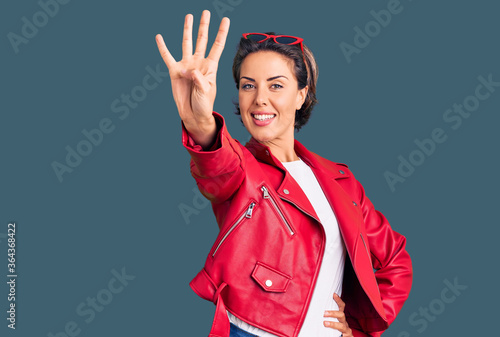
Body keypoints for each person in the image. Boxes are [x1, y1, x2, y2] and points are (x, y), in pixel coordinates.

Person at [155, 9, 412, 337]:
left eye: (276, 85)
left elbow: (395, 261)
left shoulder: (341, 181)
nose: (260, 99)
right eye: (248, 85)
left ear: (301, 95)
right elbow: (218, 166)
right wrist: (200, 124)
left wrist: (359, 329)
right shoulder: (244, 168)